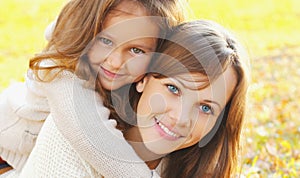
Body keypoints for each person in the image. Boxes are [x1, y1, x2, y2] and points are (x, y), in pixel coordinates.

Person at [10, 19, 249, 177]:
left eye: (206, 108)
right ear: (143, 78)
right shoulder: (72, 132)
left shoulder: (189, 169)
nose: (181, 118)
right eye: (173, 89)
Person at [0, 0, 188, 177]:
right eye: (105, 41)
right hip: (6, 161)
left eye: (136, 50)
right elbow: (96, 141)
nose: (115, 62)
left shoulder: (142, 81)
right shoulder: (61, 74)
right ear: (85, 31)